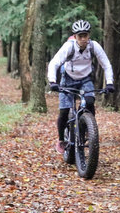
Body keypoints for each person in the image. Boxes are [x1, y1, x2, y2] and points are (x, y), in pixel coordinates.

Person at [47, 19, 115, 154]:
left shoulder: (94, 46)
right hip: (68, 79)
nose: (83, 39)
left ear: (89, 35)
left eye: (85, 35)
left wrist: (109, 83)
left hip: (85, 79)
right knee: (65, 111)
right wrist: (53, 82)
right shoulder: (69, 47)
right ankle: (61, 139)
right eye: (80, 36)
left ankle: (90, 129)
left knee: (89, 102)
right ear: (75, 36)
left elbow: (106, 64)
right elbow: (54, 63)